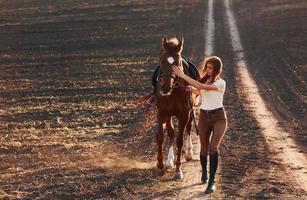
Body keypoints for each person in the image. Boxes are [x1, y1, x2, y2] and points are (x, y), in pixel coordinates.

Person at [172, 56, 227, 194]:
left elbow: (201, 87)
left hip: (219, 117)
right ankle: (204, 172)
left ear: (216, 69)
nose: (207, 70)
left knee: (213, 148)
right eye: (207, 67)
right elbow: (200, 90)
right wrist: (190, 89)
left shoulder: (221, 83)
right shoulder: (205, 81)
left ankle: (212, 181)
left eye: (210, 68)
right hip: (204, 117)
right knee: (203, 149)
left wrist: (183, 75)